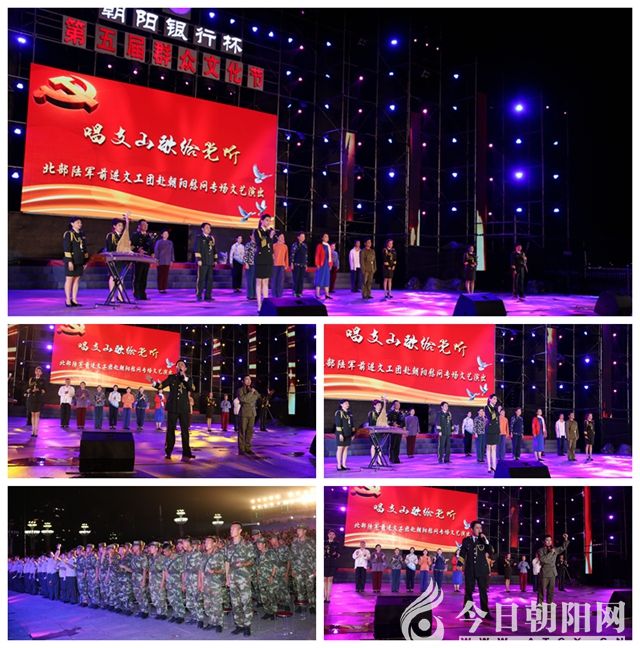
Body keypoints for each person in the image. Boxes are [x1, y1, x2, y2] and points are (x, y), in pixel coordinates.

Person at [147, 361, 196, 462]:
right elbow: (161, 386)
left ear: (185, 368)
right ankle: (168, 451)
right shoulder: (172, 377)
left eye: (182, 365)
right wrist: (152, 381)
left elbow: (191, 388)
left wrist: (184, 377)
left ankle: (186, 452)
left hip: (184, 408)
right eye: (178, 365)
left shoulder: (189, 379)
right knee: (170, 430)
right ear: (176, 368)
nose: (180, 366)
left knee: (185, 431)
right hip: (173, 407)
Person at [459, 520, 494, 618]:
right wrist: (459, 563)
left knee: (483, 592)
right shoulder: (466, 540)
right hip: (470, 570)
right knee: (468, 592)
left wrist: (486, 540)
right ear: (472, 529)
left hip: (482, 570)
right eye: (477, 528)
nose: (479, 530)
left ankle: (485, 613)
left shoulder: (483, 540)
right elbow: (462, 553)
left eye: (480, 528)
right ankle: (467, 612)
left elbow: (491, 551)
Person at [290, 523, 316, 613]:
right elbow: (292, 557)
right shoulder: (294, 542)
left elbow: (315, 556)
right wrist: (293, 569)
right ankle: (301, 605)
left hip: (309, 570)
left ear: (305, 531)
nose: (298, 531)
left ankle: (312, 605)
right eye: (297, 530)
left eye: (300, 530)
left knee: (310, 588)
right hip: (298, 570)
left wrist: (316, 569)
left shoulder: (311, 542)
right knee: (299, 588)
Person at [63, 217, 89, 307]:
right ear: (72, 224)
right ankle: (68, 300)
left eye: (80, 223)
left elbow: (85, 249)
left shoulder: (82, 234)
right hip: (72, 260)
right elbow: (67, 248)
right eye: (78, 222)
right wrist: (69, 261)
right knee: (69, 279)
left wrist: (85, 261)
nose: (80, 224)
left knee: (76, 280)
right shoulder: (69, 234)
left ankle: (74, 300)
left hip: (80, 260)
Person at [537, 534, 569, 606]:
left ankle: (549, 604)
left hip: (553, 573)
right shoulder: (540, 550)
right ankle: (539, 604)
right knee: (541, 590)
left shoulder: (555, 549)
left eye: (550, 540)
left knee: (551, 590)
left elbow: (563, 547)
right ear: (544, 541)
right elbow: (543, 560)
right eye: (547, 540)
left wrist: (566, 539)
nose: (549, 542)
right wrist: (551, 553)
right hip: (544, 573)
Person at [104, 213, 129, 302]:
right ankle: (112, 297)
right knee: (113, 277)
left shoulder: (122, 236)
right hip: (113, 260)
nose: (121, 227)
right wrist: (111, 259)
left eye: (122, 225)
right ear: (114, 226)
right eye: (119, 225)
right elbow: (109, 248)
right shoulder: (111, 235)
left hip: (121, 260)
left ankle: (120, 296)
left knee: (121, 277)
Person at [253, 214, 275, 312]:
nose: (268, 222)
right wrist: (270, 237)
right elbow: (260, 243)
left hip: (268, 259)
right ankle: (259, 305)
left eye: (269, 220)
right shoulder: (257, 231)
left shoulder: (269, 231)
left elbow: (270, 246)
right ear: (261, 221)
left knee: (266, 282)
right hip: (260, 258)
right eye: (266, 220)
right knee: (259, 282)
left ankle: (265, 304)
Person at [236, 375, 260, 455]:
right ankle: (241, 449)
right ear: (243, 381)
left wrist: (250, 395)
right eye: (247, 379)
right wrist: (250, 393)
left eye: (250, 379)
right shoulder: (240, 390)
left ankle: (248, 448)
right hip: (244, 413)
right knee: (242, 431)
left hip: (252, 413)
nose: (249, 381)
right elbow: (243, 399)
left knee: (250, 431)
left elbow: (257, 397)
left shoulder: (253, 389)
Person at [194, 222, 218, 302]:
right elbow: (197, 249)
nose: (209, 229)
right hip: (203, 262)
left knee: (210, 280)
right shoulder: (199, 238)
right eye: (207, 227)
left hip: (210, 262)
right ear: (202, 229)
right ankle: (199, 295)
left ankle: (208, 296)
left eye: (209, 228)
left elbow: (214, 250)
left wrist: (215, 260)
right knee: (201, 279)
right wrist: (198, 259)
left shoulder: (211, 238)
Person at [131, 219, 154, 300]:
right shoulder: (135, 235)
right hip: (138, 259)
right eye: (143, 224)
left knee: (144, 277)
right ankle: (136, 294)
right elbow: (131, 246)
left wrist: (152, 253)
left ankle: (143, 294)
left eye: (146, 224)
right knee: (138, 277)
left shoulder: (149, 236)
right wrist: (138, 250)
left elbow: (151, 246)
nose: (145, 226)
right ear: (139, 226)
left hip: (146, 259)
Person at [26, 366, 46, 438]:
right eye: (36, 371)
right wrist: (31, 390)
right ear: (35, 372)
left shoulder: (43, 380)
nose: (38, 372)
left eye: (39, 371)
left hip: (38, 399)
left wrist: (39, 390)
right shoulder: (31, 379)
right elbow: (28, 389)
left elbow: (44, 390)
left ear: (41, 373)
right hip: (32, 398)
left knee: (37, 414)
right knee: (32, 414)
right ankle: (32, 430)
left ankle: (36, 431)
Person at [334, 399, 354, 471]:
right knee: (340, 448)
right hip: (341, 433)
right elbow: (338, 424)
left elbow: (352, 424)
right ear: (341, 404)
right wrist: (340, 434)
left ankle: (344, 465)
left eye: (348, 403)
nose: (347, 405)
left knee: (346, 448)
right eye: (345, 403)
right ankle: (339, 465)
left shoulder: (349, 413)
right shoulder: (339, 412)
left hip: (348, 433)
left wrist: (353, 434)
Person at [153, 229, 174, 294]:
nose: (166, 235)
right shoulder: (159, 242)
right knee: (160, 275)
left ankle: (164, 288)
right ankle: (160, 288)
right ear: (162, 235)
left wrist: (172, 260)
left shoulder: (170, 242)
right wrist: (156, 259)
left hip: (167, 261)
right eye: (165, 234)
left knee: (165, 275)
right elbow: (156, 250)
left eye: (167, 234)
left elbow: (172, 251)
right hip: (160, 260)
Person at [314, 233, 332, 300]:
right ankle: (317, 294)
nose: (326, 237)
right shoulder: (320, 246)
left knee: (326, 279)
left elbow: (330, 257)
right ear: (322, 238)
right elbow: (317, 255)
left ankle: (327, 294)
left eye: (327, 237)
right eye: (325, 236)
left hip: (327, 265)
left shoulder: (329, 246)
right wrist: (317, 264)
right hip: (321, 264)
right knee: (319, 278)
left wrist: (330, 264)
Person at [324, 530, 341, 603]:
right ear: (328, 535)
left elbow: (339, 554)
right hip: (325, 562)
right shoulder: (324, 542)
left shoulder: (337, 544)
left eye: (333, 534)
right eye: (330, 534)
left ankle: (328, 597)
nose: (331, 535)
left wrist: (334, 554)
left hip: (332, 562)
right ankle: (324, 596)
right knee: (324, 579)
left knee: (330, 579)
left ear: (335, 536)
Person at [290, 231, 308, 297]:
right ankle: (295, 291)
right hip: (296, 264)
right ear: (298, 237)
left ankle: (300, 292)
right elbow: (292, 254)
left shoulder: (305, 245)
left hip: (303, 264)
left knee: (301, 279)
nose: (303, 238)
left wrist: (306, 264)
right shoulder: (295, 245)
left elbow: (306, 255)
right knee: (296, 278)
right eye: (301, 236)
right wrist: (292, 263)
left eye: (304, 237)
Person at [485, 395, 500, 473]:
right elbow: (491, 417)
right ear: (490, 399)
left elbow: (497, 420)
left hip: (495, 430)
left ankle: (494, 466)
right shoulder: (487, 407)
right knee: (489, 448)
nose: (495, 400)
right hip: (489, 430)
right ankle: (489, 466)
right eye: (494, 399)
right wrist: (498, 412)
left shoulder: (495, 408)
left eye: (496, 399)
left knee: (494, 448)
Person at [271, 232, 289, 297]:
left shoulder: (285, 246)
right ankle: (274, 294)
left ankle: (279, 295)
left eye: (283, 237)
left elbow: (286, 256)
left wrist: (286, 264)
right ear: (277, 237)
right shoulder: (274, 245)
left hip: (282, 265)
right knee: (274, 280)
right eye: (281, 237)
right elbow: (271, 255)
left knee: (280, 281)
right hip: (274, 265)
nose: (282, 238)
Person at [243, 237, 257, 301]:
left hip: (256, 265)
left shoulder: (257, 244)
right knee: (250, 280)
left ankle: (254, 295)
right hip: (250, 264)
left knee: (255, 281)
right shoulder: (248, 244)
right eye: (253, 235)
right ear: (250, 236)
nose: (254, 237)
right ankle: (249, 295)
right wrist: (246, 263)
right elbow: (245, 254)